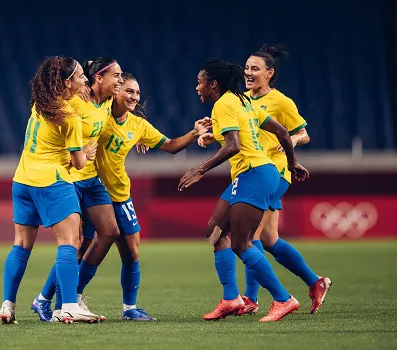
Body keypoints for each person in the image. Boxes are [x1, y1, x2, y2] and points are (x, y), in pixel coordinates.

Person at [198, 45, 331, 315]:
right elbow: (238, 133)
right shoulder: (242, 99)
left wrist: (291, 149)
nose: (248, 73)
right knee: (269, 239)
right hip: (251, 172)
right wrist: (215, 135)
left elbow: (300, 133)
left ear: (269, 73)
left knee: (249, 236)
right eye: (246, 68)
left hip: (273, 170)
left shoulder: (280, 101)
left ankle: (251, 297)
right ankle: (314, 282)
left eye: (255, 68)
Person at [178, 58, 309, 322]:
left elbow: (233, 145)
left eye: (199, 82)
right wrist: (292, 163)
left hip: (254, 174)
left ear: (212, 84)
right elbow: (283, 132)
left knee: (241, 242)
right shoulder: (243, 101)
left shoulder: (224, 104)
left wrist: (199, 170)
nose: (197, 87)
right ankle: (230, 299)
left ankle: (284, 299)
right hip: (257, 173)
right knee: (215, 232)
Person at [83, 72, 212, 320]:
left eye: (137, 92)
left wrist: (194, 132)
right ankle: (68, 299)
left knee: (131, 252)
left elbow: (171, 145)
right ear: (116, 90)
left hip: (120, 193)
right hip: (93, 191)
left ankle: (129, 309)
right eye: (129, 91)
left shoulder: (138, 125)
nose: (134, 96)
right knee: (82, 246)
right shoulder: (98, 113)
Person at [0, 56, 100, 324]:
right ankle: (68, 306)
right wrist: (88, 153)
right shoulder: (70, 118)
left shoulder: (40, 104)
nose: (85, 80)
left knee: (21, 244)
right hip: (52, 181)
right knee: (70, 242)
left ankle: (8, 304)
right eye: (81, 77)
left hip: (22, 179)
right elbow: (77, 164)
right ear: (67, 82)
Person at [32, 57, 123, 322]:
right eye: (116, 76)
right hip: (70, 177)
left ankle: (67, 296)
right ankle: (58, 302)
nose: (119, 80)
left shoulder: (106, 102)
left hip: (92, 179)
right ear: (98, 78)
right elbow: (53, 107)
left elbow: (126, 108)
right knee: (75, 242)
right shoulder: (74, 100)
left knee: (110, 232)